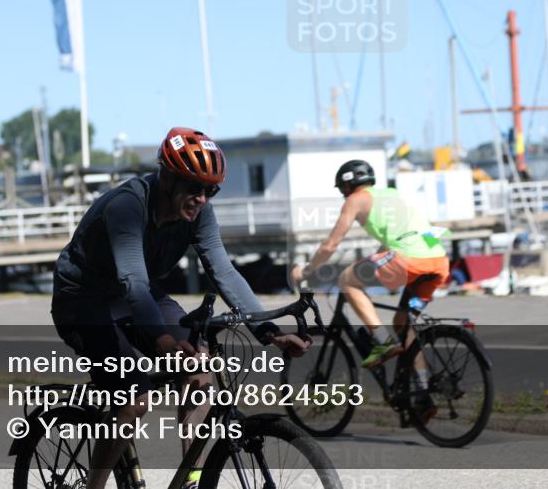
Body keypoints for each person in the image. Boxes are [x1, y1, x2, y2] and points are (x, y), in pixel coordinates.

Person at [52, 127, 310, 489]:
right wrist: (164, 343)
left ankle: (192, 478)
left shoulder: (199, 214)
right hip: (83, 299)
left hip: (137, 296)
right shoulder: (127, 207)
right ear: (168, 177)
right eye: (194, 187)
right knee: (133, 399)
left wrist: (269, 332)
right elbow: (134, 283)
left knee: (199, 370)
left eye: (211, 189)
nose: (202, 198)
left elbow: (223, 271)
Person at [290, 160, 450, 414]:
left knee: (347, 280)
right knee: (403, 323)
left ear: (347, 184)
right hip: (438, 261)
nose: (343, 194)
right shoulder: (393, 194)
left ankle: (382, 341)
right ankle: (423, 393)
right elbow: (405, 236)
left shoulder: (356, 199)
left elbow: (331, 245)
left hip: (408, 259)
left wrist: (308, 270)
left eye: (342, 188)